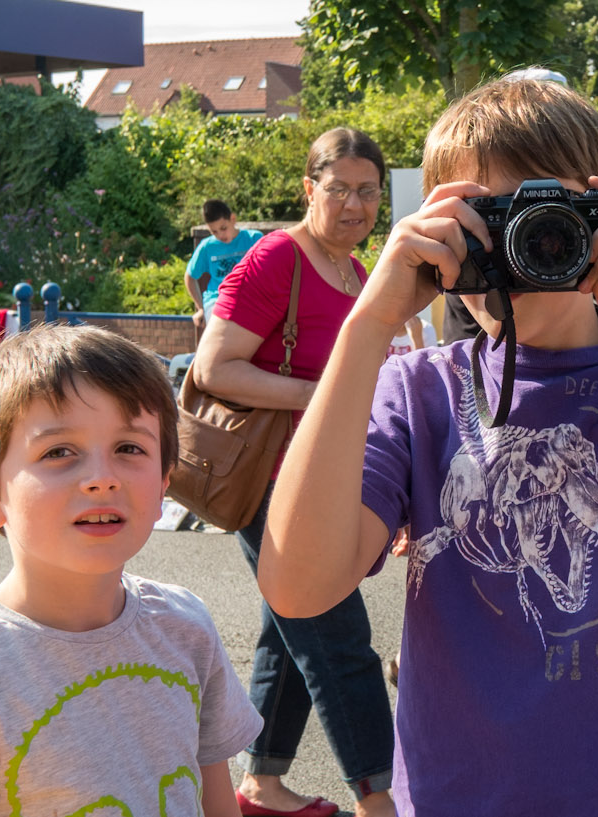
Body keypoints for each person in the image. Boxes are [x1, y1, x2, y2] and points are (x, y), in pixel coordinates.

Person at [257, 77, 598, 813]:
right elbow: (298, 585)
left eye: (542, 220)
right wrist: (369, 322)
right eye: (480, 222)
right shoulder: (418, 392)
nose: (516, 249)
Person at [0, 323, 263, 815]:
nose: (101, 478)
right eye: (58, 452)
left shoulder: (186, 627)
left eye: (129, 448)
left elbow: (214, 799)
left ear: (163, 487)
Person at [188, 127, 394, 817]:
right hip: (272, 477)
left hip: (326, 476)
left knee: (292, 623)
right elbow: (213, 368)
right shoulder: (278, 256)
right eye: (339, 189)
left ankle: (261, 785)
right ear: (309, 189)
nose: (355, 205)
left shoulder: (357, 272)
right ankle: (380, 796)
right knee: (339, 639)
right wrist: (324, 395)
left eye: (368, 191)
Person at [186, 198, 263, 330]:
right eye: (214, 232)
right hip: (218, 300)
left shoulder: (253, 239)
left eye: (223, 228)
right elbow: (190, 276)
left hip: (248, 298)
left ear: (232, 219)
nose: (220, 235)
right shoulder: (207, 246)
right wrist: (200, 308)